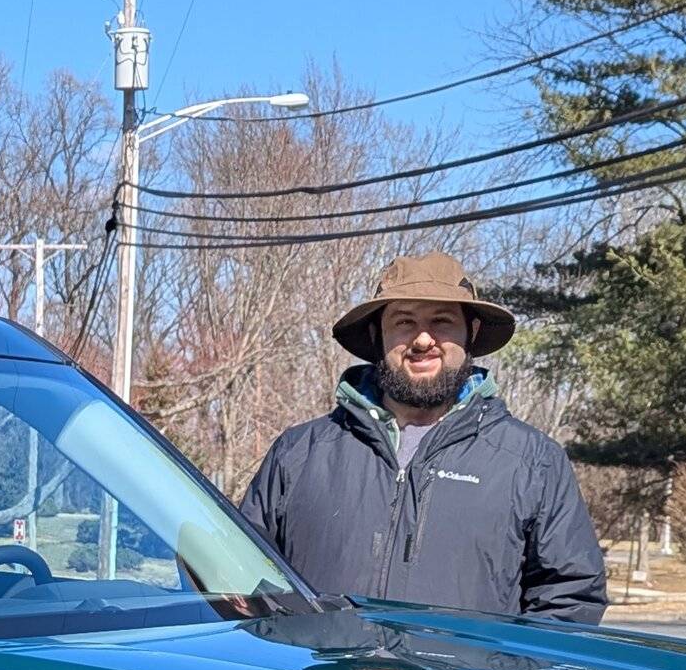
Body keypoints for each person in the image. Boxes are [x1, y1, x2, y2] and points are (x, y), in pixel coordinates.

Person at [243, 252, 607, 623]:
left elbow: (570, 598)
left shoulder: (531, 461)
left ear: (473, 332)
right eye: (404, 321)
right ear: (376, 334)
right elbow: (240, 577)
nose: (422, 339)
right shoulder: (300, 452)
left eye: (442, 321)